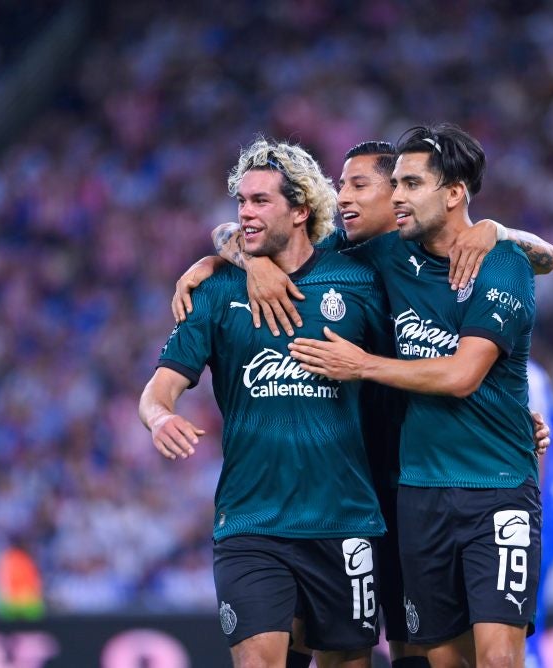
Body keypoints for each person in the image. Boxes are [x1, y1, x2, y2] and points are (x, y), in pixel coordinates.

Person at [172, 139, 553, 668]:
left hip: (415, 481)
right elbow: (245, 230)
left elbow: (546, 258)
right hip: (356, 492)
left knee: (421, 649)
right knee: (315, 639)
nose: (344, 198)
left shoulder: (453, 254)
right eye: (340, 186)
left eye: (362, 186)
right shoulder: (346, 256)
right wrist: (243, 259)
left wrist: (497, 229)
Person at [287, 123, 540, 668]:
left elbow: (463, 374)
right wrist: (237, 260)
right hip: (418, 492)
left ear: (453, 193)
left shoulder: (501, 263)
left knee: (498, 658)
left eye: (411, 184)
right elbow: (277, 240)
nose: (397, 196)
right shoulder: (387, 254)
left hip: (495, 486)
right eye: (396, 184)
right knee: (437, 659)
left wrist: (362, 365)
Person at [140, 137, 391, 668]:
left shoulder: (358, 280)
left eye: (260, 201)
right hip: (251, 522)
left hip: (343, 519)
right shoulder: (216, 291)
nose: (245, 213)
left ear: (300, 211)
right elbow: (159, 390)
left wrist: (504, 411)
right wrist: (160, 418)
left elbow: (414, 360)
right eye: (241, 202)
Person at [525, 360, 553, 668]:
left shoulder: (528, 376)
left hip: (538, 515)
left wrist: (529, 514)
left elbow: (539, 447)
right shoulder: (534, 373)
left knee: (519, 623)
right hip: (540, 513)